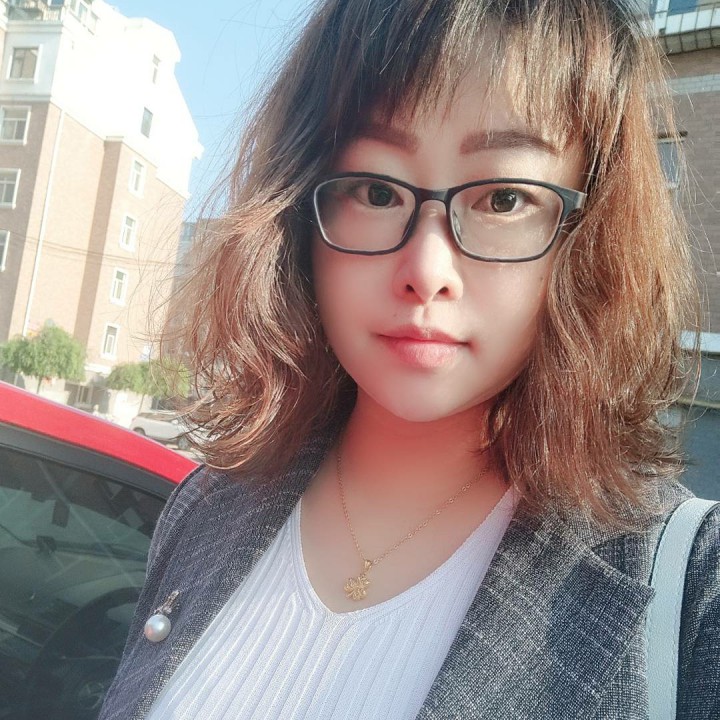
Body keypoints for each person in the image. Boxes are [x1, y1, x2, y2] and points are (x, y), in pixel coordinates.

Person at [99, 0, 720, 718]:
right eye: (377, 191)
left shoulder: (695, 596)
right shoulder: (208, 506)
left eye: (504, 198)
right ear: (298, 211)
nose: (426, 270)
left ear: (589, 233)